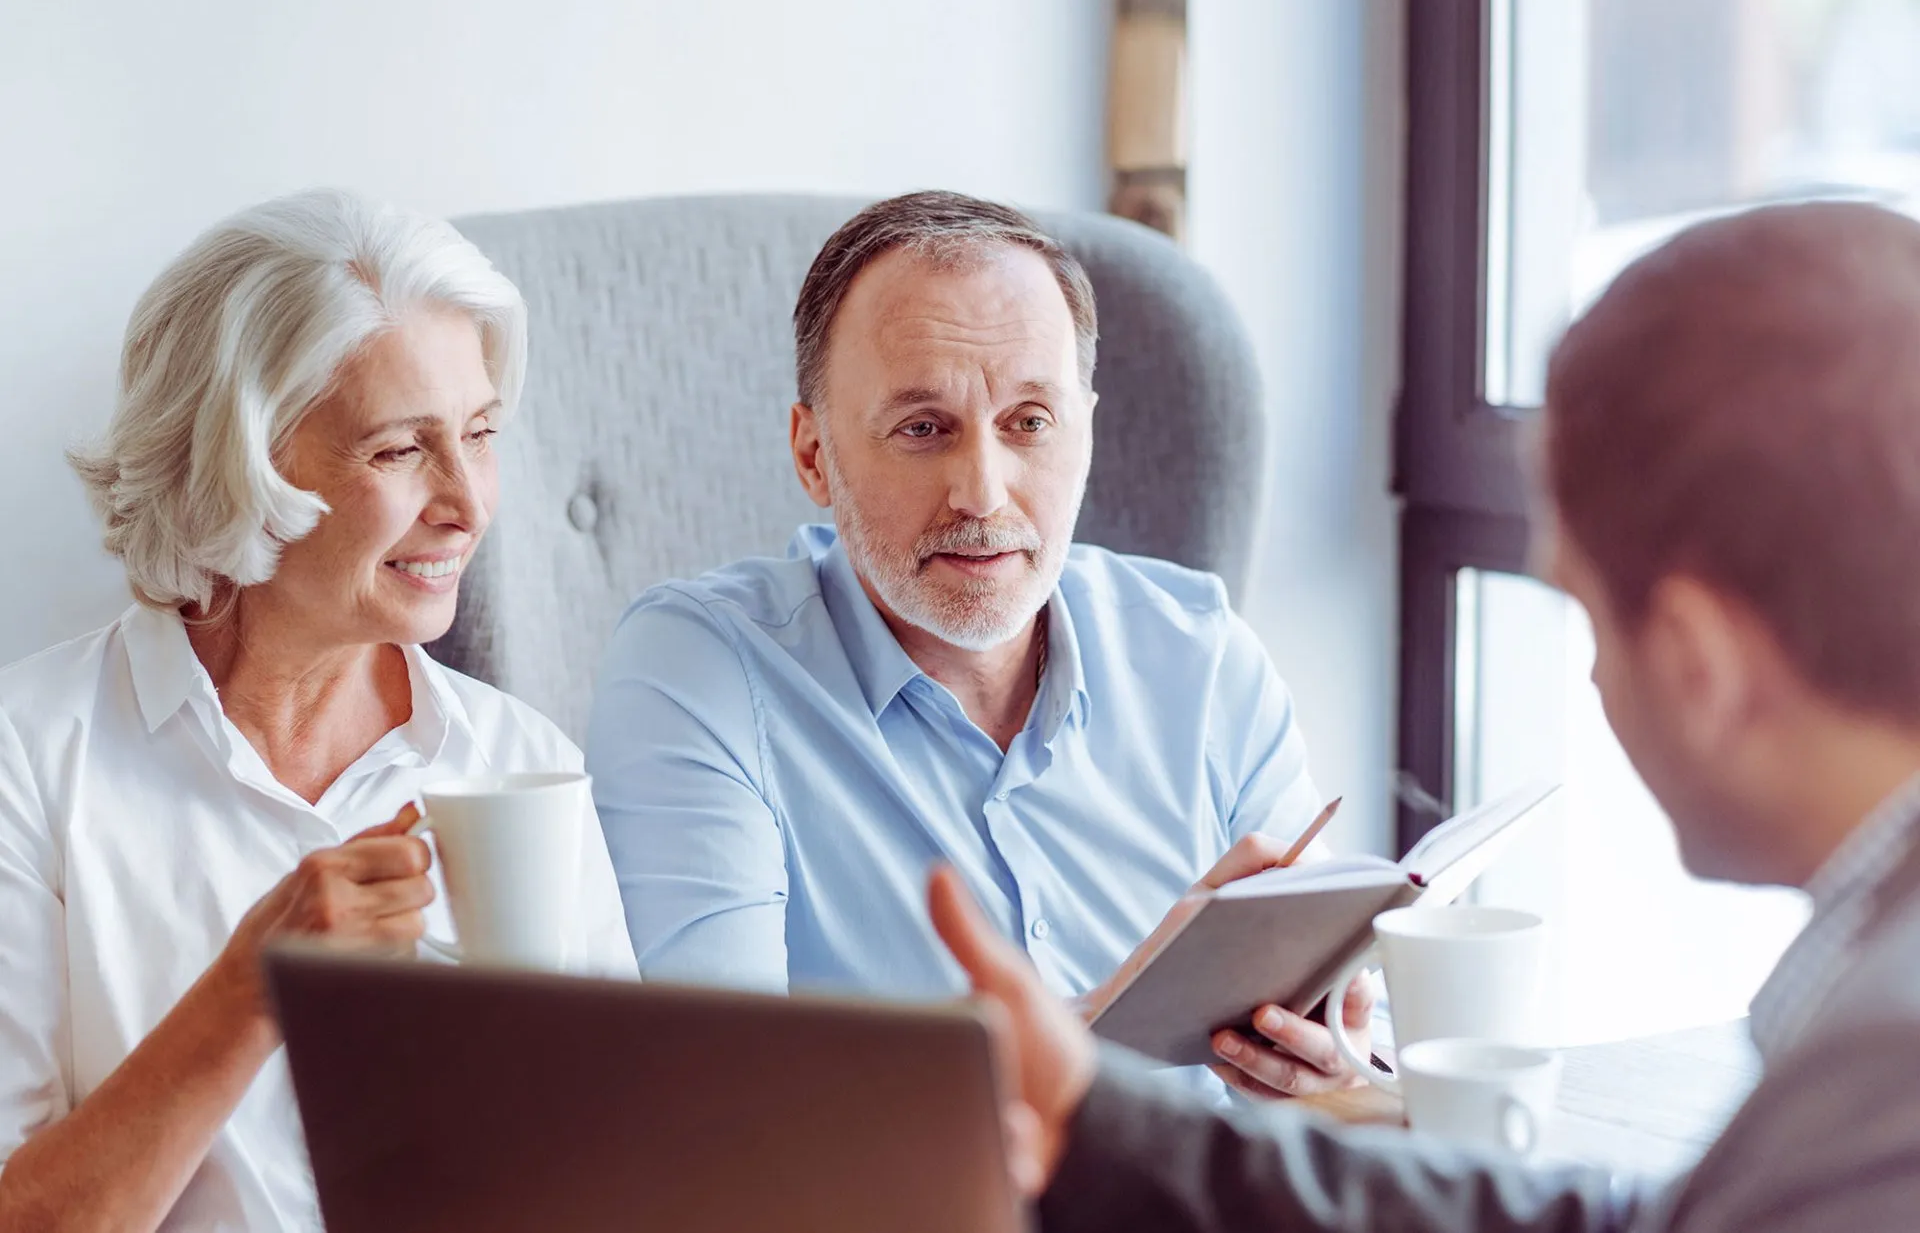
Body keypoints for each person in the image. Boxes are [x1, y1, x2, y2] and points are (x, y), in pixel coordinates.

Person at [929, 200, 1920, 1232]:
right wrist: (1102, 1115)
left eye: (1585, 617)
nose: (1589, 684)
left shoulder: (1887, 1071)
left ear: (1697, 664)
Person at [587, 190, 1377, 1101]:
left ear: (1084, 431)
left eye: (1029, 423)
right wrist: (1122, 1020)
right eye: (923, 429)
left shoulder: (1200, 655)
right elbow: (720, 1102)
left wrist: (1323, 1055)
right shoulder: (698, 671)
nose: (983, 494)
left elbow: (1359, 1044)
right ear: (814, 456)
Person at [0, 190, 636, 1231]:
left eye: (479, 434)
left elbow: (626, 1170)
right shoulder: (30, 760)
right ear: (235, 466)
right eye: (398, 450)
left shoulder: (520, 760)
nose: (470, 504)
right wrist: (251, 991)